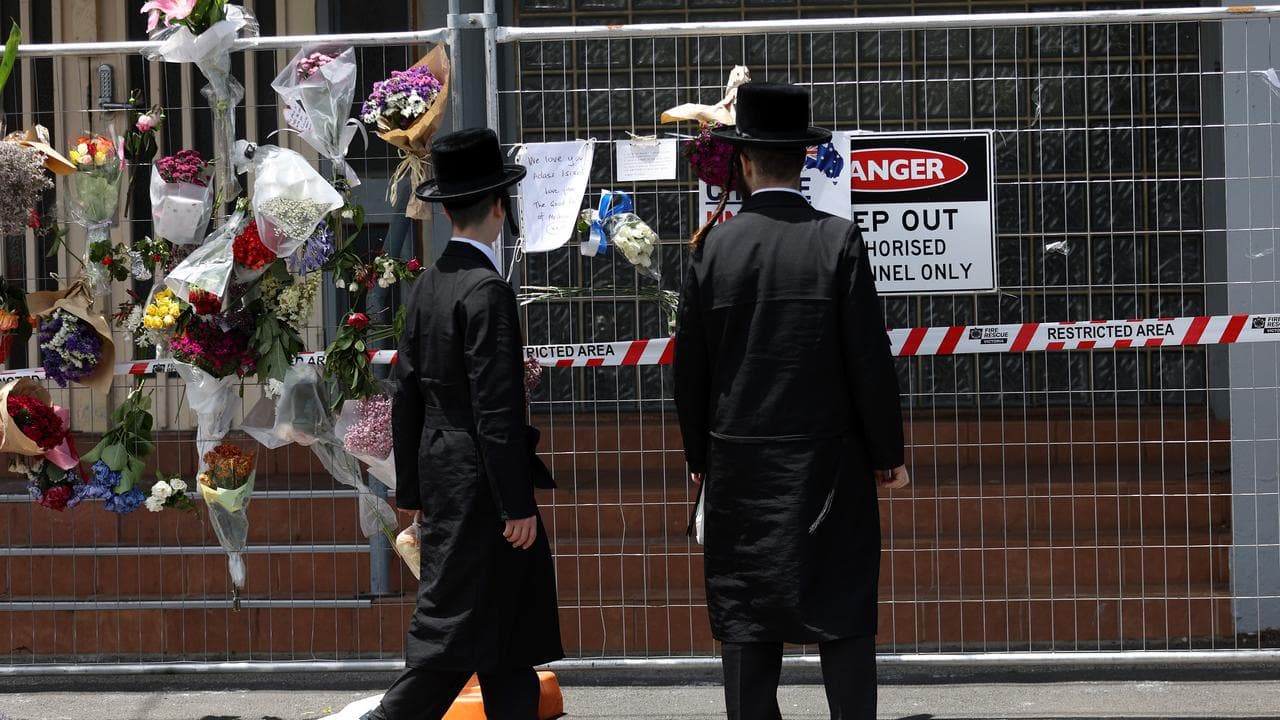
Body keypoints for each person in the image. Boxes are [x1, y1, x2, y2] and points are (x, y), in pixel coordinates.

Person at [673, 83, 911, 720]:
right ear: (803, 160)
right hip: (829, 462)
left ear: (744, 162)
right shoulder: (837, 242)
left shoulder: (711, 251)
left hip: (740, 464)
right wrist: (889, 453)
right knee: (843, 609)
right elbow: (868, 359)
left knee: (748, 616)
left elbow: (689, 372)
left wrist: (699, 456)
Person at [365, 127, 563, 720]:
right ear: (499, 206)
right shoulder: (488, 292)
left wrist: (413, 491)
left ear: (446, 207)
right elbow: (497, 410)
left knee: (505, 640)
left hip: (442, 471)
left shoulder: (426, 285)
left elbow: (406, 393)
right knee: (453, 643)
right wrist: (516, 503)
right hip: (485, 488)